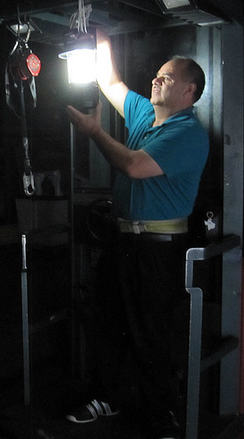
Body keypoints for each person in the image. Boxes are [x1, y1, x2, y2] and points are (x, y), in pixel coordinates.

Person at [64, 29, 209, 439]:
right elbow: (111, 82)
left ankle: (161, 413)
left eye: (166, 77)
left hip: (158, 248)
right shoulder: (145, 114)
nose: (155, 80)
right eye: (156, 75)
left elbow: (134, 166)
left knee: (150, 331)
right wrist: (99, 33)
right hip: (124, 239)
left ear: (189, 90)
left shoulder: (187, 134)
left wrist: (94, 132)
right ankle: (108, 396)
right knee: (108, 319)